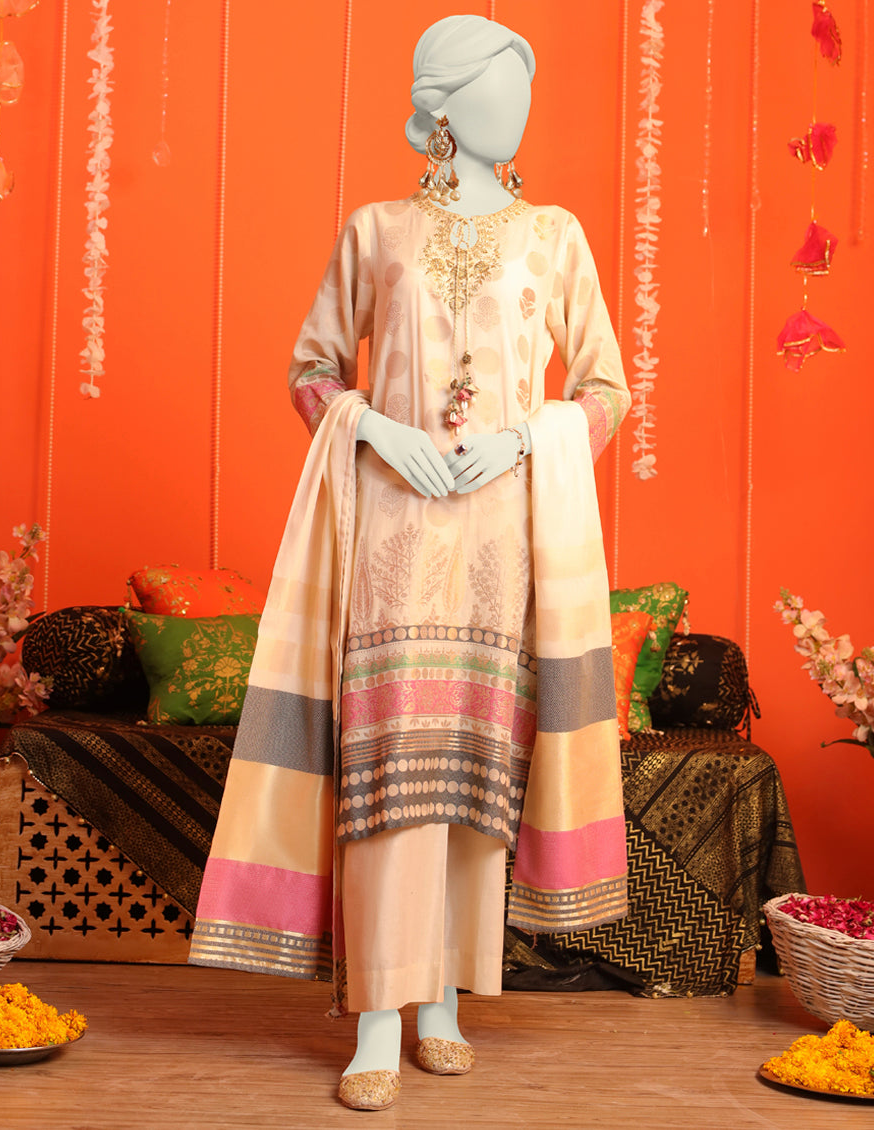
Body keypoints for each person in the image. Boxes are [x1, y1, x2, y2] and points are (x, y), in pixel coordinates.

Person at [190, 14, 630, 1113]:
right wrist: (373, 427)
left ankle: (444, 1005)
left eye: (522, 90)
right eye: (495, 88)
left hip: (503, 539)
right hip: (391, 534)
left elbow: (605, 390)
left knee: (476, 773)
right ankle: (379, 1015)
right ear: (441, 106)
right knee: (392, 773)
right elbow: (310, 367)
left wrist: (525, 439)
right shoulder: (376, 230)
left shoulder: (554, 236)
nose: (515, 110)